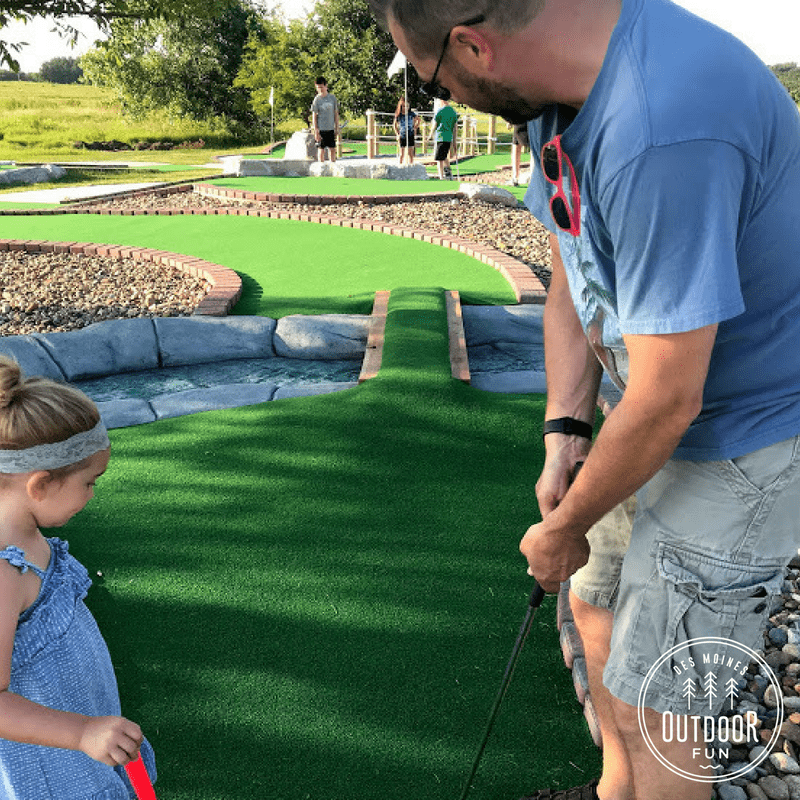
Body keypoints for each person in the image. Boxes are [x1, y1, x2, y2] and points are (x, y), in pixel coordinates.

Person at [368, 1, 800, 799]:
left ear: (472, 46)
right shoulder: (552, 95)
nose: (442, 98)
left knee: (664, 706)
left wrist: (563, 526)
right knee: (595, 601)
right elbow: (572, 266)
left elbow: (671, 397)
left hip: (745, 436)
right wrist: (565, 431)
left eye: (432, 80)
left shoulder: (663, 126)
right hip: (647, 410)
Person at [0, 356, 156, 798]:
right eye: (90, 482)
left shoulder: (30, 539)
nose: (91, 494)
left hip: (78, 737)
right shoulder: (4, 574)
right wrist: (82, 732)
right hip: (52, 766)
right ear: (40, 484)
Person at [311, 77, 340, 163]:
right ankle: (321, 166)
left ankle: (333, 166)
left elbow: (336, 113)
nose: (320, 89)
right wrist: (316, 130)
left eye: (321, 87)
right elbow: (314, 115)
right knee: (321, 149)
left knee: (332, 149)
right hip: (321, 129)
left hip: (330, 128)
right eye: (318, 87)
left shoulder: (332, 98)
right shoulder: (317, 100)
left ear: (326, 86)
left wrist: (337, 127)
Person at [432, 97, 457, 179]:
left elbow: (435, 124)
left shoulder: (440, 111)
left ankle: (441, 176)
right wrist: (454, 141)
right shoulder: (453, 111)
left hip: (440, 137)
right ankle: (448, 172)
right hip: (448, 137)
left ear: (441, 100)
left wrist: (430, 134)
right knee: (444, 155)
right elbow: (455, 127)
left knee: (439, 159)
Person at [393, 97, 420, 165]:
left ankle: (411, 165)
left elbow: (418, 119)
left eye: (407, 106)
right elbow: (394, 125)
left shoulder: (411, 114)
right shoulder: (399, 115)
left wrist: (415, 126)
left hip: (410, 134)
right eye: (404, 106)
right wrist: (397, 134)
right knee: (401, 154)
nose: (406, 108)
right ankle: (400, 165)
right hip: (402, 135)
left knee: (410, 153)